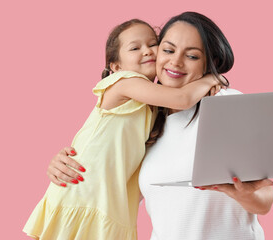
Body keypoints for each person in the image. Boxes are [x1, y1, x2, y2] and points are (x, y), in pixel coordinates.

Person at [47, 12, 273, 240]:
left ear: (211, 62)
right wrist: (66, 165)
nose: (175, 62)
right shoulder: (145, 123)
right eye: (167, 50)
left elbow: (264, 201)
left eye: (193, 56)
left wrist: (244, 194)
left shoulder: (227, 105)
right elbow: (113, 183)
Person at [23, 19, 223, 240]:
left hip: (110, 206)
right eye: (135, 48)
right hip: (83, 196)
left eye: (152, 44)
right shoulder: (123, 83)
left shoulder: (153, 108)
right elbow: (183, 98)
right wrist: (211, 78)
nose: (147, 51)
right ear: (116, 67)